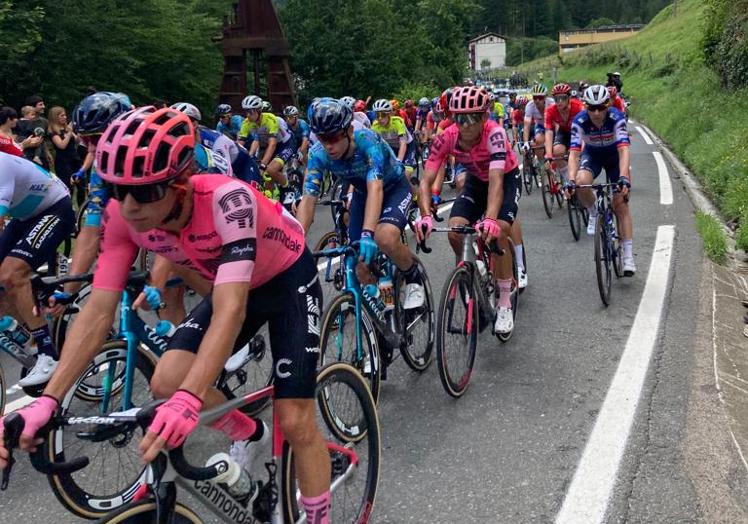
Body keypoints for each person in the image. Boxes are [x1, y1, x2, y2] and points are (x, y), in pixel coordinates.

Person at [0, 106, 333, 522]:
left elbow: (231, 309)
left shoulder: (228, 200)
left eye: (144, 192)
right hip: (233, 282)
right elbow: (99, 310)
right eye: (119, 190)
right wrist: (49, 400)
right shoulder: (124, 217)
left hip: (286, 280)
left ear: (180, 186)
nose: (130, 205)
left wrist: (191, 402)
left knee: (296, 418)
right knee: (166, 380)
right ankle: (252, 434)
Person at [296, 98, 425, 309]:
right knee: (359, 265)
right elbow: (309, 198)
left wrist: (368, 233)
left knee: (384, 237)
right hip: (363, 194)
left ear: (347, 130)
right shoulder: (318, 154)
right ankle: (383, 312)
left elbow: (376, 187)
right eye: (322, 137)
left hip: (394, 188)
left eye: (334, 137)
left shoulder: (367, 140)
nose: (329, 145)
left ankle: (413, 277)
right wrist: (297, 242)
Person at [415, 86, 522, 334]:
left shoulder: (494, 134)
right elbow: (426, 180)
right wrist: (425, 216)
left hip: (504, 178)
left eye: (472, 118)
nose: (465, 124)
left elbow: (496, 181)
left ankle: (505, 301)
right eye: (459, 118)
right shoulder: (446, 136)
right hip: (476, 180)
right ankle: (475, 266)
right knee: (455, 231)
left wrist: (492, 219)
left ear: (484, 117)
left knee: (499, 232)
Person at [0, 152, 74, 385]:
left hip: (55, 208)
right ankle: (23, 326)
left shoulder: (2, 165)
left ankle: (47, 353)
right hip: (25, 217)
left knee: (11, 274)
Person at [567, 85, 635, 275]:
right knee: (581, 182)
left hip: (615, 157)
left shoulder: (616, 118)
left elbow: (623, 150)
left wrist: (623, 177)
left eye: (601, 108)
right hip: (593, 155)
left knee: (620, 203)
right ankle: (593, 211)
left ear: (608, 105)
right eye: (592, 108)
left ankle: (628, 256)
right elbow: (573, 154)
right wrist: (571, 180)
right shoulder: (579, 121)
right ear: (585, 107)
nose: (596, 113)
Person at [238, 95, 295, 193]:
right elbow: (239, 144)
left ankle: (289, 190)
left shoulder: (270, 119)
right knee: (265, 176)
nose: (248, 115)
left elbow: (272, 144)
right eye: (246, 111)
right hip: (269, 146)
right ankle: (272, 197)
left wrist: (263, 165)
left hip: (285, 144)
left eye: (250, 111)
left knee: (270, 169)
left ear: (259, 111)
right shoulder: (246, 123)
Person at [543, 83, 584, 186]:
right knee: (556, 151)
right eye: (556, 99)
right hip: (564, 132)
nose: (560, 102)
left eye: (563, 98)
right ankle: (567, 179)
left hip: (578, 132)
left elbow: (585, 130)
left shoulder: (578, 107)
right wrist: (549, 155)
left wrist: (582, 149)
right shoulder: (550, 111)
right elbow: (548, 132)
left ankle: (579, 175)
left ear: (569, 98)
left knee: (577, 153)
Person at [371, 99, 418, 182]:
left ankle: (414, 194)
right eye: (377, 115)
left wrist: (398, 161)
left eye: (383, 115)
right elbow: (374, 146)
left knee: (405, 175)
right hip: (393, 148)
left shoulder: (397, 121)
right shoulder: (375, 126)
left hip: (407, 148)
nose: (380, 118)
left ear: (389, 114)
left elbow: (403, 143)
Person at [47, 106, 82, 195]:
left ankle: (81, 206)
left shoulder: (67, 128)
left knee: (81, 185)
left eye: (65, 115)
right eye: (62, 116)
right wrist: (69, 133)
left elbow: (77, 141)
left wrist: (79, 133)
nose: (65, 117)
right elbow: (62, 145)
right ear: (55, 117)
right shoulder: (53, 131)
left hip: (74, 158)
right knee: (68, 186)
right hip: (63, 162)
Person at [521, 84, 553, 164]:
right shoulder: (530, 106)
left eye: (540, 97)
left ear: (545, 97)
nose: (537, 100)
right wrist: (525, 142)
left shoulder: (551, 103)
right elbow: (526, 125)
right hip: (540, 126)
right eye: (535, 98)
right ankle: (542, 164)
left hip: (552, 125)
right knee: (537, 142)